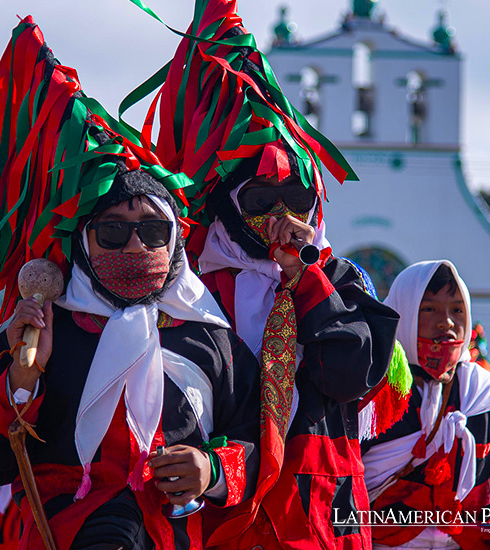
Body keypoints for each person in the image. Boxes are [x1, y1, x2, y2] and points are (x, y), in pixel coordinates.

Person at [0, 17, 260, 550]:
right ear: (83, 245)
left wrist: (211, 469)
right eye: (113, 232)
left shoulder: (212, 339)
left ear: (177, 242)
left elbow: (261, 448)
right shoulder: (42, 329)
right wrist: (24, 377)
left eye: (153, 231)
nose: (136, 247)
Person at [127, 0, 404, 547]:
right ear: (229, 202)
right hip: (225, 521)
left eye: (296, 198)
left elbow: (348, 375)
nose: (281, 217)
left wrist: (306, 278)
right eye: (260, 198)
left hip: (325, 520)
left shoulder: (344, 279)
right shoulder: (195, 288)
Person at [362, 260, 490, 550]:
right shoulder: (369, 390)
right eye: (429, 308)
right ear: (402, 314)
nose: (446, 321)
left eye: (457, 310)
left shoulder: (484, 394)